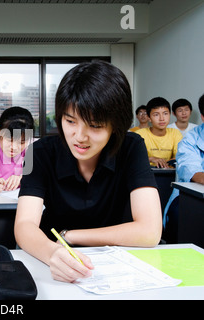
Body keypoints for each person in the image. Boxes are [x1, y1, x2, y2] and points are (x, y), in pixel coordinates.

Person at [14, 61, 162, 283]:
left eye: (94, 125)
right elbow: (24, 225)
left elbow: (150, 231)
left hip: (117, 266)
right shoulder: (37, 151)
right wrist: (53, 252)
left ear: (116, 125)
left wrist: (70, 236)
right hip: (54, 264)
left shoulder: (133, 146)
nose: (79, 136)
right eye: (70, 121)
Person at [163, 94, 204, 243]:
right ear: (203, 117)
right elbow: (194, 173)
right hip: (190, 197)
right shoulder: (190, 139)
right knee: (179, 216)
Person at [136, 97, 183, 168]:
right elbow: (132, 158)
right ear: (149, 118)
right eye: (156, 115)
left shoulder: (175, 133)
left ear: (170, 114)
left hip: (169, 173)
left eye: (165, 114)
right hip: (146, 173)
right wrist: (151, 159)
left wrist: (165, 163)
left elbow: (181, 156)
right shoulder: (139, 135)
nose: (162, 118)